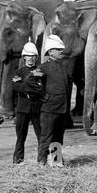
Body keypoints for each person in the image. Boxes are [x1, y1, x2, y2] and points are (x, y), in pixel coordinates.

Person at [33, 35, 74, 166]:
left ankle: (57, 162)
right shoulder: (43, 67)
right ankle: (42, 162)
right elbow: (30, 80)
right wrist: (42, 96)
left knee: (58, 137)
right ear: (50, 52)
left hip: (62, 108)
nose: (61, 51)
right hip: (49, 109)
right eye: (57, 49)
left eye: (61, 49)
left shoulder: (64, 66)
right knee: (46, 137)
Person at [9, 42, 44, 165]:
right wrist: (29, 87)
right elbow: (15, 86)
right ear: (24, 57)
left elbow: (42, 87)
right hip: (22, 109)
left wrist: (28, 87)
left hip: (37, 108)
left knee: (41, 136)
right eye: (28, 56)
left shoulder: (40, 71)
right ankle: (18, 160)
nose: (30, 58)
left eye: (33, 56)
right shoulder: (19, 72)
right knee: (20, 136)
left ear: (36, 57)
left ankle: (42, 159)